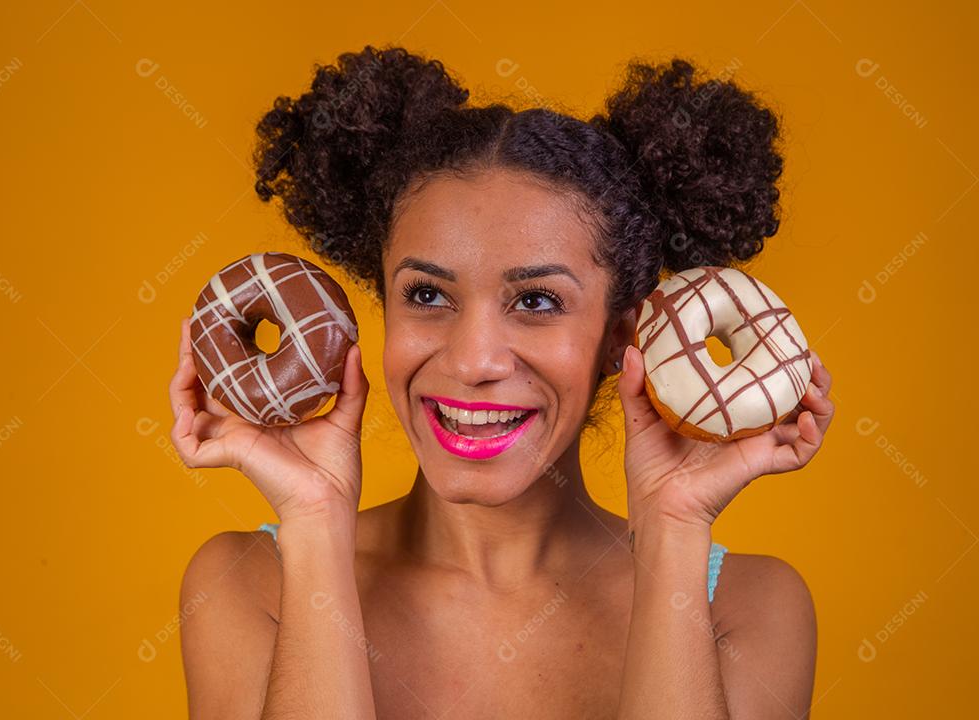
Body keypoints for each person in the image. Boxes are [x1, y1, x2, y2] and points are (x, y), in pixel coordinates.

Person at [169, 44, 833, 719]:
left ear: (620, 336)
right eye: (427, 295)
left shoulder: (748, 607)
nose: (473, 360)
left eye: (536, 301)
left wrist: (674, 528)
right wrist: (314, 521)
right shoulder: (250, 585)